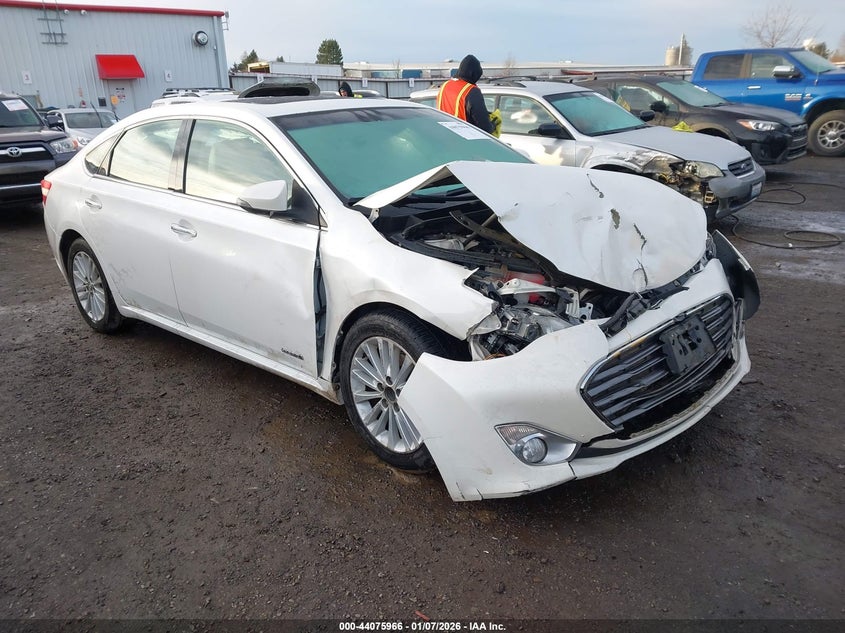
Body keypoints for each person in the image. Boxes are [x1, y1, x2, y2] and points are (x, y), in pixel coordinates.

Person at [436, 54, 494, 134]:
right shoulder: (471, 91)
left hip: (444, 136)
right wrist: (493, 124)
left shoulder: (445, 86)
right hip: (465, 140)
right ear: (474, 74)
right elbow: (484, 127)